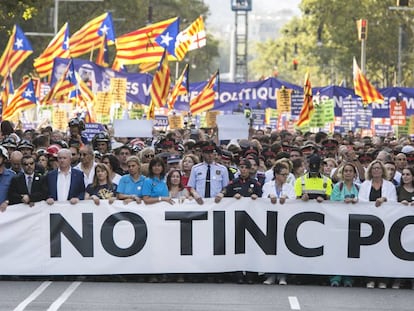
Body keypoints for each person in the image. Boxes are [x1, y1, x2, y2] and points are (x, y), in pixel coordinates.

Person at [214, 158, 262, 284]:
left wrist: (256, 197)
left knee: (251, 246)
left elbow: (262, 198)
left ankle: (252, 274)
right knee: (237, 246)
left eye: (246, 167)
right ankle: (238, 273)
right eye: (242, 167)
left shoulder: (255, 183)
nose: (244, 169)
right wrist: (222, 195)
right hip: (236, 221)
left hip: (252, 221)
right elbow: (224, 191)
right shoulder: (233, 183)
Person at [358, 160, 397, 289]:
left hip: (385, 222)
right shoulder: (365, 185)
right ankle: (370, 279)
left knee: (383, 252)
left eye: (378, 168)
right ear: (370, 170)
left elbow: (393, 203)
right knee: (370, 252)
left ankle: (382, 280)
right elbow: (361, 201)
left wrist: (384, 199)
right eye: (373, 168)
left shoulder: (389, 186)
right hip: (368, 222)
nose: (376, 170)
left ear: (382, 171)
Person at [262, 162, 295, 286]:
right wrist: (269, 197)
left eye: (287, 175)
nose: (285, 177)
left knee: (283, 248)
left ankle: (282, 275)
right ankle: (270, 275)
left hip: (285, 221)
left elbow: (294, 200)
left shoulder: (290, 187)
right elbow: (261, 200)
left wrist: (287, 198)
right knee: (270, 248)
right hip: (270, 220)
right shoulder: (267, 186)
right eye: (283, 175)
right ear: (276, 174)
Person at [329, 163, 359, 287]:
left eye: (350, 171)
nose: (348, 173)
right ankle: (335, 277)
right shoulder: (338, 187)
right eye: (345, 171)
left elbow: (363, 202)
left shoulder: (358, 187)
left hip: (353, 224)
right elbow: (332, 202)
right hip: (339, 224)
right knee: (338, 251)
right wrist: (343, 202)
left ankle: (348, 277)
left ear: (354, 174)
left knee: (351, 251)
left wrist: (356, 201)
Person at [0, 146, 15, 212]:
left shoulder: (12, 175)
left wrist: (7, 201)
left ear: (4, 158)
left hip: (7, 214)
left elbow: (16, 194)